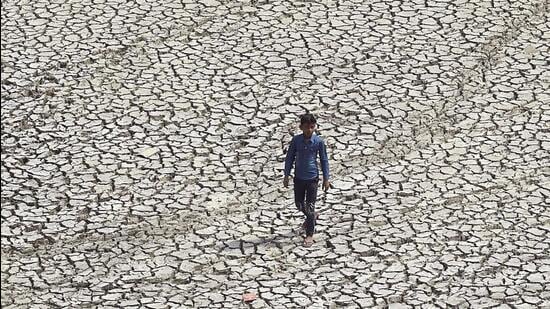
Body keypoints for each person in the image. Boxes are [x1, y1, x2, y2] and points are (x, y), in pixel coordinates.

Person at [283, 113, 330, 247]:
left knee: (309, 206)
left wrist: (326, 178)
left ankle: (310, 234)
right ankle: (312, 216)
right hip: (299, 177)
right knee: (298, 204)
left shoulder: (318, 142)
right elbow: (290, 158)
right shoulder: (296, 141)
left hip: (312, 179)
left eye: (311, 127)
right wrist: (286, 175)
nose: (309, 130)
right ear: (301, 127)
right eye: (306, 127)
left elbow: (324, 160)